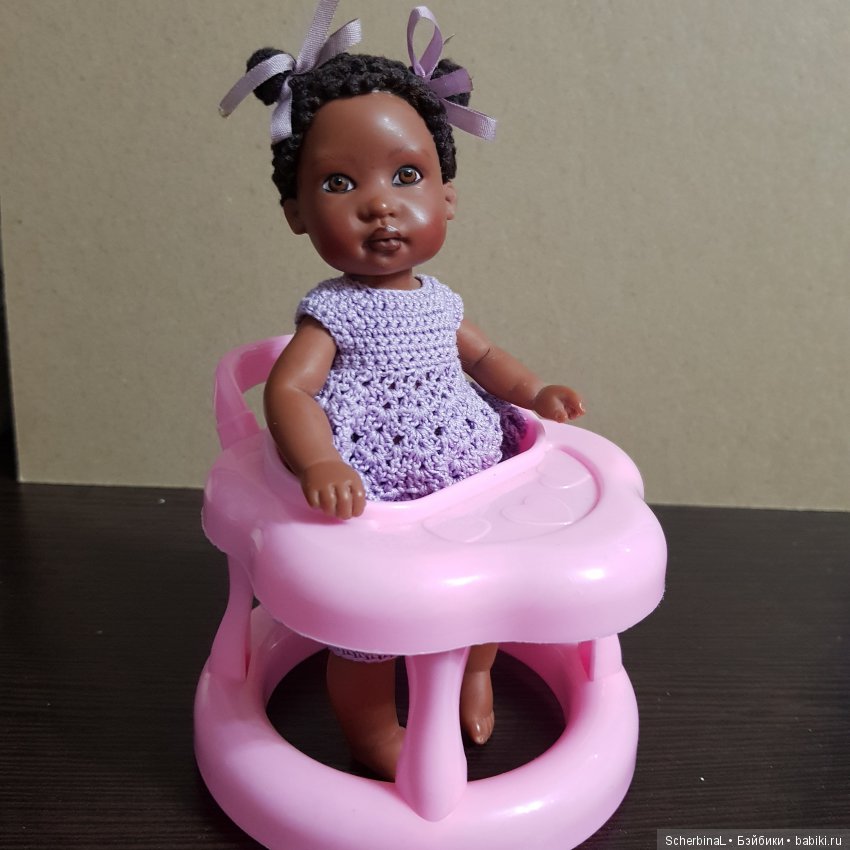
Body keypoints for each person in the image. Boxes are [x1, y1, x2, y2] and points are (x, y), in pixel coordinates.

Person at [220, 1, 585, 781]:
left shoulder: (442, 302)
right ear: (296, 212)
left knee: (484, 593)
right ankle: (371, 730)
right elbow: (289, 392)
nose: (380, 202)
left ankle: (476, 670)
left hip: (472, 483)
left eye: (407, 175)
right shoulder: (332, 312)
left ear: (446, 196)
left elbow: (486, 360)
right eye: (340, 182)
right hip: (374, 494)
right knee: (368, 633)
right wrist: (320, 463)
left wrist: (535, 391)